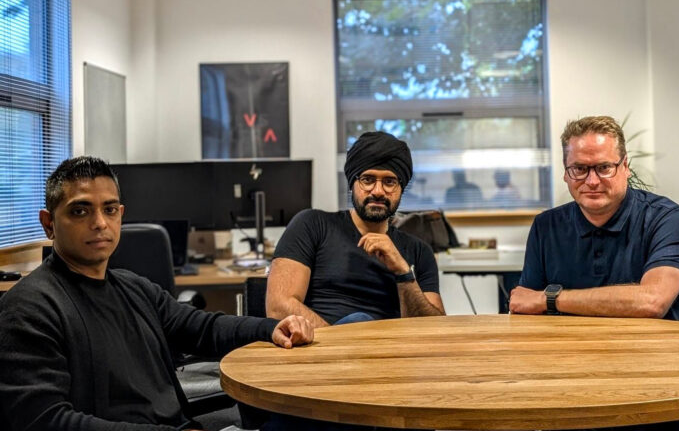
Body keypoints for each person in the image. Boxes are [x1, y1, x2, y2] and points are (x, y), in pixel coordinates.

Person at [0, 156, 314, 431]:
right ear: (49, 223)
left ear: (120, 214)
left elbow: (204, 328)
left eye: (109, 209)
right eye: (80, 211)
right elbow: (46, 420)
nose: (99, 223)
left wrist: (272, 327)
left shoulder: (134, 288)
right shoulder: (27, 309)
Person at [510, 116, 679, 431]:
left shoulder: (669, 219)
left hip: (665, 385)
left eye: (604, 167)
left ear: (625, 166)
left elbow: (652, 301)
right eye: (579, 169)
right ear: (565, 172)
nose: (591, 181)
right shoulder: (546, 227)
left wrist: (551, 299)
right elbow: (523, 310)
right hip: (578, 381)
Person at [266, 131, 444, 328]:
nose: (378, 191)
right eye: (368, 180)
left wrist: (403, 273)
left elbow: (432, 328)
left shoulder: (419, 251)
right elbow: (278, 307)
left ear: (401, 188)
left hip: (387, 352)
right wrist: (341, 342)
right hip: (319, 349)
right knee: (359, 321)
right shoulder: (312, 225)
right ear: (352, 183)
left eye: (389, 182)